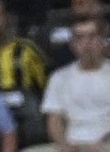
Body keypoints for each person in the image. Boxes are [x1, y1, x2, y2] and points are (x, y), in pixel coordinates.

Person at [45, 21, 110, 152]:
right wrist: (64, 145)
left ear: (102, 40)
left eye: (92, 36)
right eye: (80, 37)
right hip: (72, 143)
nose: (87, 42)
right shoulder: (59, 77)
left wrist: (102, 144)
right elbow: (54, 119)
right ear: (72, 43)